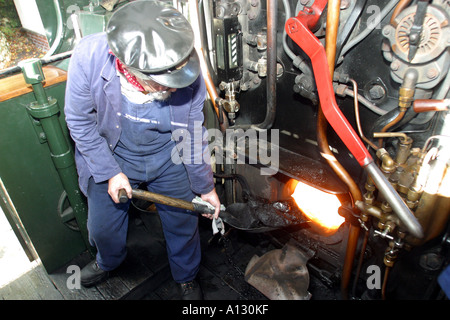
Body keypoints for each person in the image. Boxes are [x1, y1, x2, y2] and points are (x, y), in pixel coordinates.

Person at [64, 0, 221, 300]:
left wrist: (205, 187)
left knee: (183, 222)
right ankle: (107, 260)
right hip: (113, 154)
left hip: (169, 156)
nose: (176, 88)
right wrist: (110, 173)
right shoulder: (90, 57)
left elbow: (193, 132)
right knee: (102, 229)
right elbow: (78, 121)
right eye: (165, 83)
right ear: (129, 68)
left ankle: (186, 277)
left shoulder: (185, 67)